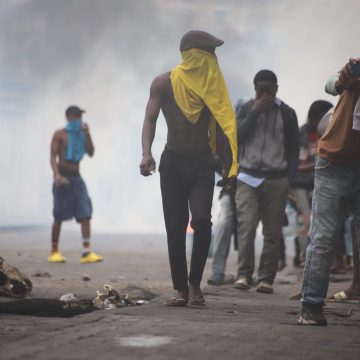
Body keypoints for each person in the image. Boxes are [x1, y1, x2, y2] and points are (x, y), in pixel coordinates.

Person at [140, 30, 237, 306]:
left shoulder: (211, 86)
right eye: (210, 53)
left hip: (202, 163)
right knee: (175, 227)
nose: (214, 60)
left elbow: (222, 127)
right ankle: (180, 290)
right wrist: (146, 153)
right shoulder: (164, 83)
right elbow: (150, 119)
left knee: (203, 222)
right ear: (194, 56)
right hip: (172, 162)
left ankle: (195, 282)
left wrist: (230, 169)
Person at [298, 58, 360, 326]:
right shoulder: (354, 70)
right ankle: (311, 306)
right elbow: (330, 85)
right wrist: (343, 82)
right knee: (323, 237)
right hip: (333, 163)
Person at [233, 70, 299, 294]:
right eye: (260, 90)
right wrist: (253, 113)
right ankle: (244, 275)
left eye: (268, 90)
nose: (264, 95)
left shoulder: (287, 113)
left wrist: (288, 179)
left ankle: (266, 279)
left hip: (276, 179)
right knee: (247, 227)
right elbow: (236, 137)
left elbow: (293, 149)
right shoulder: (245, 108)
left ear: (276, 89)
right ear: (255, 90)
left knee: (272, 233)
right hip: (247, 178)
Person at [49, 105, 103, 264]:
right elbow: (52, 157)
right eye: (77, 115)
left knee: (85, 212)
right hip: (63, 178)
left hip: (77, 178)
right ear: (69, 116)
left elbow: (91, 152)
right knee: (59, 215)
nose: (79, 119)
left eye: (80, 116)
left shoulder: (81, 135)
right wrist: (57, 175)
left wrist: (88, 135)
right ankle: (54, 251)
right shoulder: (60, 134)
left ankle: (86, 252)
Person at [291, 100, 333, 267]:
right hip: (300, 184)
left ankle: (316, 258)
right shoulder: (302, 134)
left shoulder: (328, 132)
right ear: (317, 116)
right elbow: (299, 164)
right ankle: (303, 258)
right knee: (305, 219)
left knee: (320, 221)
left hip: (319, 181)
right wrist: (317, 163)